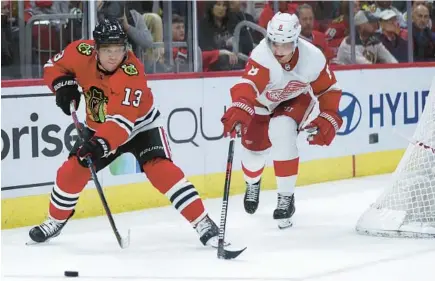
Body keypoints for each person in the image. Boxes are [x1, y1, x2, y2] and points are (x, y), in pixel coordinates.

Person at [28, 18, 221, 248]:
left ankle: (202, 222)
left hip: (140, 126)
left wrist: (100, 144)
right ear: (95, 48)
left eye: (119, 49)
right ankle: (55, 220)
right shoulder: (81, 51)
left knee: (161, 170)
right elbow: (52, 66)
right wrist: (62, 85)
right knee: (71, 171)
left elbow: (122, 122)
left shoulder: (131, 72)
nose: (113, 56)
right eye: (107, 50)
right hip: (99, 126)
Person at [220, 12, 343, 229]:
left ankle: (285, 199)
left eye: (285, 45)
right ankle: (252, 182)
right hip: (261, 103)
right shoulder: (262, 55)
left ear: (296, 41)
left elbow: (328, 89)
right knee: (253, 158)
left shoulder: (312, 57)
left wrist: (330, 114)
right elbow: (248, 85)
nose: (278, 51)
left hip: (294, 99)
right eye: (274, 43)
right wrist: (240, 105)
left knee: (282, 129)